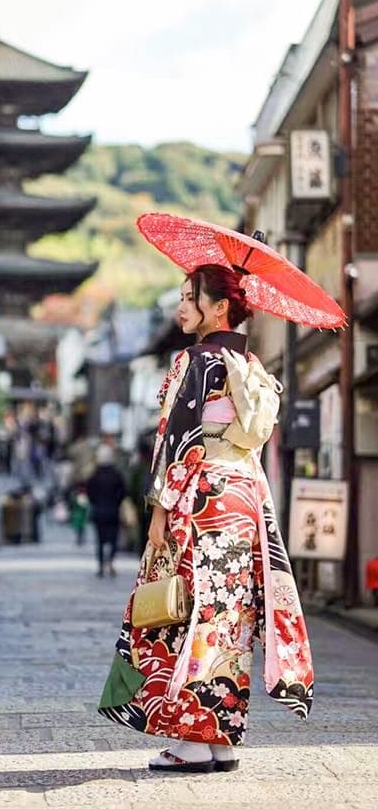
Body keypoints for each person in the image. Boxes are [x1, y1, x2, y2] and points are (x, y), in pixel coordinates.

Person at [98, 264, 314, 773]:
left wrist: (160, 508)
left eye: (190, 297)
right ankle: (222, 739)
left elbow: (176, 441)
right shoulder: (253, 365)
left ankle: (191, 741)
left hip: (200, 498)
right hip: (243, 497)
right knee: (228, 619)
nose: (181, 307)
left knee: (184, 610)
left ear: (219, 308)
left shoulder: (194, 361)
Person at [86, 444, 126, 577]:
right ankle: (111, 561)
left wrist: (95, 503)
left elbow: (89, 492)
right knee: (113, 539)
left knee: (100, 540)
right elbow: (123, 492)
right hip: (113, 512)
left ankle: (101, 565)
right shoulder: (116, 475)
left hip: (98, 512)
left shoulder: (94, 476)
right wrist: (116, 502)